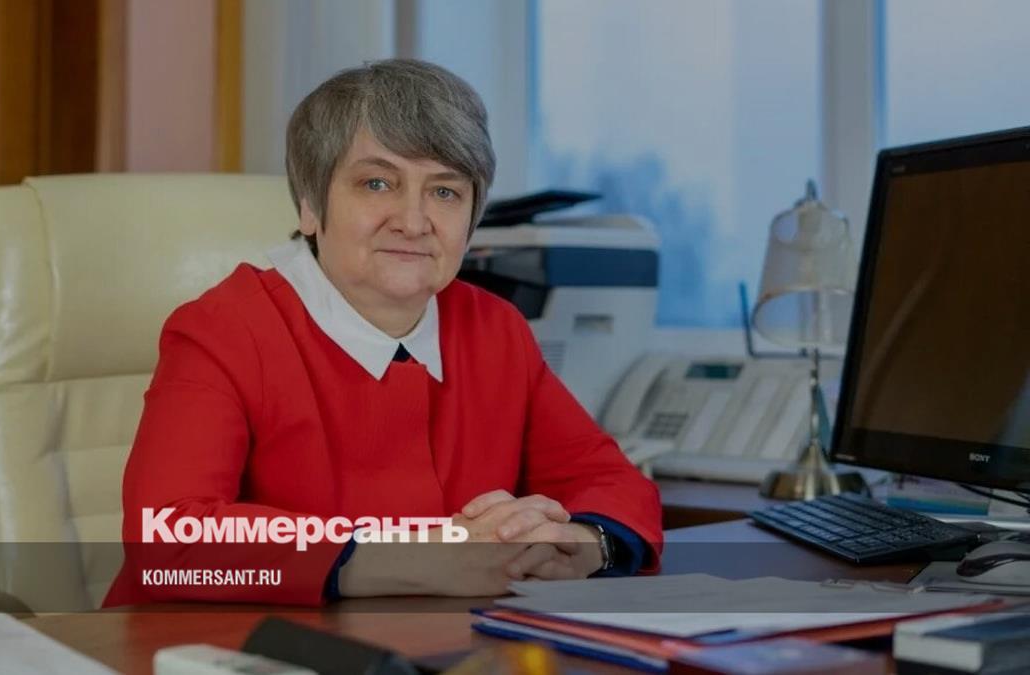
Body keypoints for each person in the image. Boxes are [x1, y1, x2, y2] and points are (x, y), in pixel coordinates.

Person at [104, 59, 661, 607]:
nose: (413, 222)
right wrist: (417, 559)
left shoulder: (495, 329)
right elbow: (169, 540)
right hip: (221, 647)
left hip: (434, 642)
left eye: (445, 192)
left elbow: (610, 479)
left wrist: (579, 545)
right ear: (310, 206)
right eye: (377, 183)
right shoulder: (224, 330)